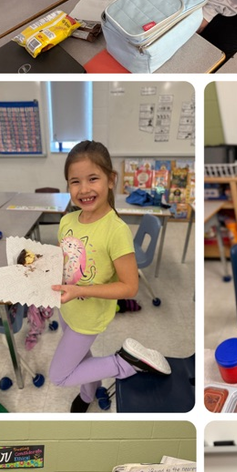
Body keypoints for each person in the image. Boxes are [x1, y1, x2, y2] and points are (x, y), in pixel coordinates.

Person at [49, 140, 171, 412]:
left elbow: (129, 287)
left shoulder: (116, 231)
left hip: (88, 316)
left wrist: (80, 291)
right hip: (67, 307)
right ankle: (87, 393)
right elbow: (62, 258)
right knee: (82, 356)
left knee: (59, 375)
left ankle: (125, 363)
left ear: (111, 180)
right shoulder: (67, 220)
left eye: (93, 178)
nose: (84, 189)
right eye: (74, 182)